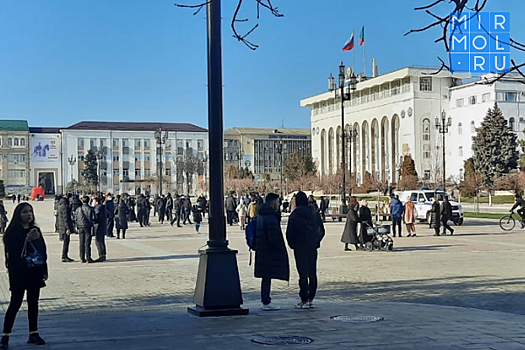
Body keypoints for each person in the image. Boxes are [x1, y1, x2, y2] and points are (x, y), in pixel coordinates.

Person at [1, 203, 48, 348]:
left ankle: (33, 333)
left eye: (30, 212)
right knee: (15, 303)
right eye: (25, 212)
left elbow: (42, 251)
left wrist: (44, 270)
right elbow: (13, 253)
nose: (28, 215)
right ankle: (5, 336)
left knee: (33, 303)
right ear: (18, 215)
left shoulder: (35, 230)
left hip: (34, 271)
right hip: (19, 272)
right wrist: (26, 240)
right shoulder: (12, 231)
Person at [285, 191, 325, 309]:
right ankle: (311, 297)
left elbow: (290, 233)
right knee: (312, 272)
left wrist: (293, 244)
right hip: (312, 246)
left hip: (299, 247)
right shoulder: (314, 213)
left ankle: (303, 298)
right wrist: (316, 241)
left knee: (302, 273)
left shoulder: (295, 214)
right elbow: (321, 231)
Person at [255, 193, 289, 311]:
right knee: (267, 275)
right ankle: (266, 301)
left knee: (266, 276)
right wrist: (280, 248)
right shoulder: (270, 216)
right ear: (273, 202)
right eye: (278, 201)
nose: (279, 204)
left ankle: (265, 299)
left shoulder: (261, 214)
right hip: (269, 250)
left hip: (262, 249)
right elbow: (273, 236)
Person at [74, 196, 96, 263]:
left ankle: (82, 258)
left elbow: (75, 218)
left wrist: (77, 226)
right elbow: (94, 218)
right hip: (88, 227)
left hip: (80, 227)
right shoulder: (91, 209)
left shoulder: (78, 209)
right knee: (87, 243)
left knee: (81, 243)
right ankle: (88, 257)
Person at [56, 196, 74, 262]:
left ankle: (65, 255)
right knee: (66, 242)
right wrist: (68, 228)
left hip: (61, 226)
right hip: (65, 227)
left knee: (66, 241)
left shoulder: (60, 205)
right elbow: (65, 218)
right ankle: (64, 256)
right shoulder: (65, 207)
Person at [93, 197, 107, 262]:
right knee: (102, 240)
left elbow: (96, 217)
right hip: (103, 225)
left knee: (98, 241)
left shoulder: (97, 208)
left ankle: (101, 255)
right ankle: (103, 254)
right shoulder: (103, 207)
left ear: (96, 202)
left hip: (98, 226)